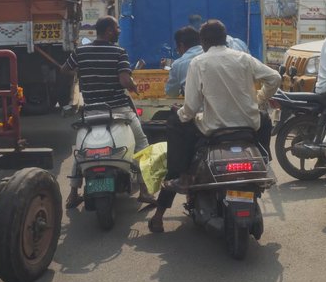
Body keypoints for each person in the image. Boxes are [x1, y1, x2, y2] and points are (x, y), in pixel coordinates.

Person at [148, 19, 280, 233]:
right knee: (264, 119)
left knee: (175, 122)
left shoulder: (198, 63)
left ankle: (180, 176)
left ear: (203, 41)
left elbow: (190, 108)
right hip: (248, 125)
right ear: (225, 37)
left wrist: (180, 113)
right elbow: (275, 77)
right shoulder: (244, 58)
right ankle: (264, 161)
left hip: (214, 128)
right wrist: (259, 98)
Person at [61, 16, 149, 209]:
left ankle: (73, 193)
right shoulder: (119, 52)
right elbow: (125, 81)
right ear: (109, 30)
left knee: (81, 150)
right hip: (118, 110)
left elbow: (65, 69)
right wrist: (134, 87)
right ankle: (144, 190)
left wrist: (82, 73)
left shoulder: (80, 51)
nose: (119, 30)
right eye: (117, 27)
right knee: (142, 143)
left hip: (91, 111)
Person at [164, 26, 202, 98]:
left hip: (195, 108)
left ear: (181, 45)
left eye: (177, 49)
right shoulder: (209, 55)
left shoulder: (178, 64)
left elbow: (171, 93)